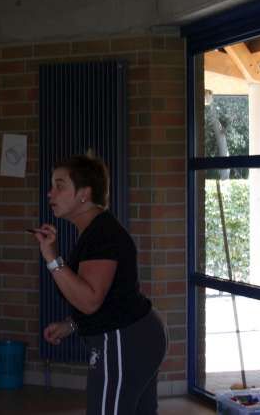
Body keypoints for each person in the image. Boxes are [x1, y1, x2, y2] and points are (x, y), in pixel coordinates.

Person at [31, 154, 167, 415]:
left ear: (84, 194)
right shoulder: (95, 230)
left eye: (60, 186)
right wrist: (72, 324)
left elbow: (90, 300)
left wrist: (51, 258)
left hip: (124, 340)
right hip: (134, 336)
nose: (50, 193)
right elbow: (108, 295)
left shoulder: (102, 234)